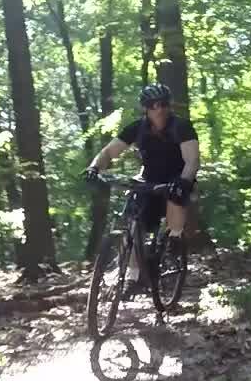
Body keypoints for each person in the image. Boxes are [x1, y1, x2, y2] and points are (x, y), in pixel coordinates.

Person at [83, 83, 199, 287]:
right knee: (134, 221)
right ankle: (132, 276)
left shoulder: (181, 127)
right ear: (145, 108)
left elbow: (192, 160)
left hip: (177, 177)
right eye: (153, 105)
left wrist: (184, 181)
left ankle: (174, 239)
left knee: (176, 196)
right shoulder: (137, 128)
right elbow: (109, 152)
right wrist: (94, 168)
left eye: (163, 104)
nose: (159, 109)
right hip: (148, 179)